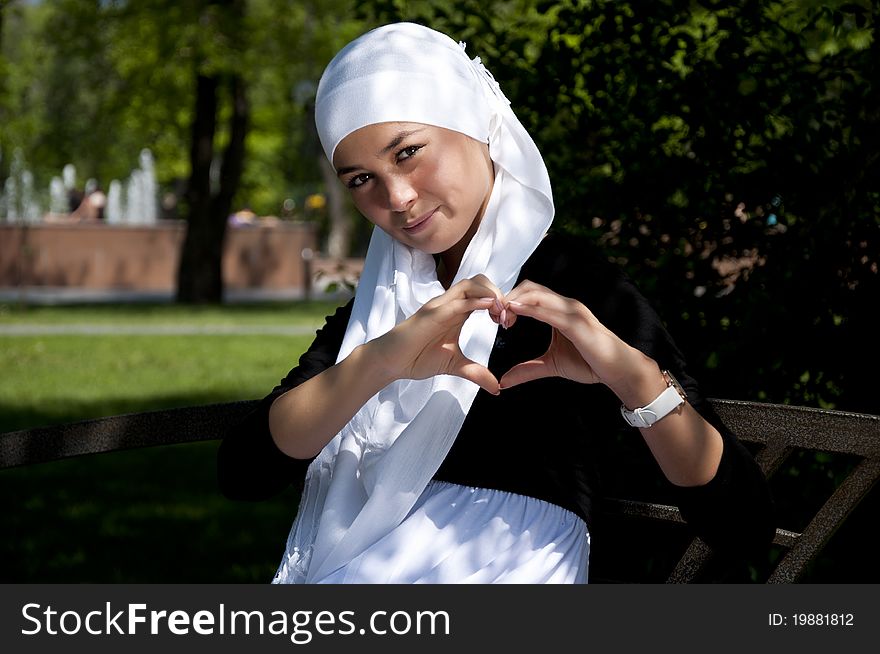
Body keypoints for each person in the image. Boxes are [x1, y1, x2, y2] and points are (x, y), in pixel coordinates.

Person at [218, 22, 775, 584]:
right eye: (362, 179)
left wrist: (635, 380)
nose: (398, 198)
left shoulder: (574, 292)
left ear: (477, 124)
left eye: (409, 152)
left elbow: (743, 525)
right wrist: (378, 364)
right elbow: (244, 471)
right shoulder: (380, 313)